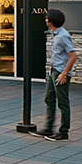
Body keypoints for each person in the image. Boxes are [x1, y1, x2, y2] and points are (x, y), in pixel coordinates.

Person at [33, 9, 77, 142]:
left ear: (50, 21)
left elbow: (73, 55)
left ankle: (64, 132)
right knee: (49, 98)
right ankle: (48, 128)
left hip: (60, 73)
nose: (45, 20)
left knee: (63, 103)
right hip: (54, 70)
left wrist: (64, 74)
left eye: (47, 18)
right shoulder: (56, 33)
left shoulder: (63, 36)